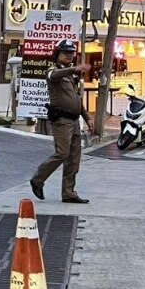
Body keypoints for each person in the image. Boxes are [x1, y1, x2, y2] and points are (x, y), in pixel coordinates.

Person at [30, 41, 93, 204]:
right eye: (65, 53)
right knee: (62, 153)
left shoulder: (71, 76)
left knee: (74, 159)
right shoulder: (54, 71)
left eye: (71, 53)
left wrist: (87, 117)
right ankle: (38, 179)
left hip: (74, 120)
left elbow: (77, 99)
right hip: (62, 120)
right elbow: (53, 75)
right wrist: (74, 69)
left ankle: (69, 193)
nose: (69, 55)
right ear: (57, 54)